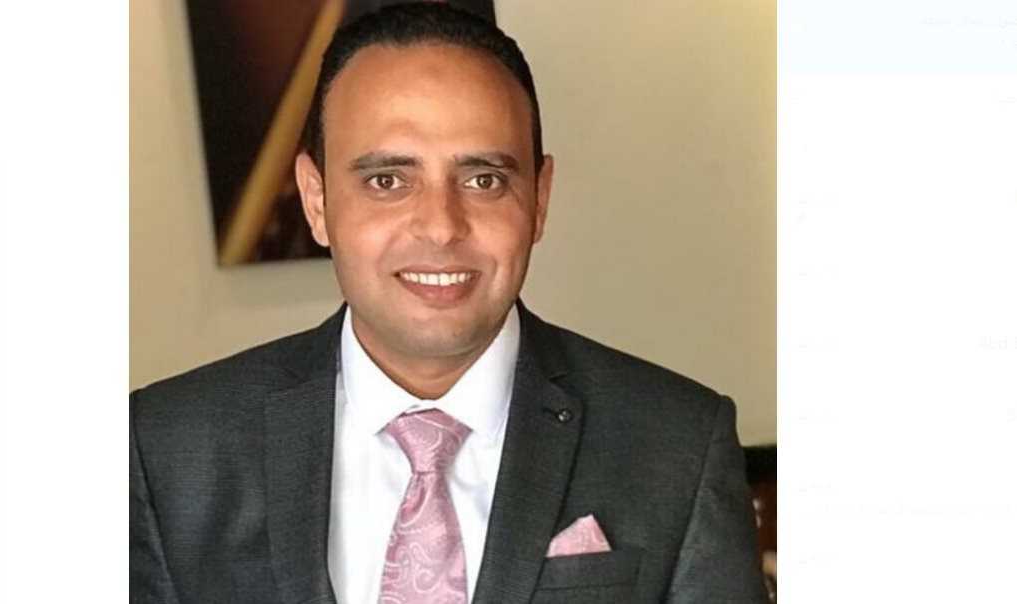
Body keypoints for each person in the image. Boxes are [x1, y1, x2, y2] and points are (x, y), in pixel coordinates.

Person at [130, 3, 768, 603]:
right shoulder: (167, 447)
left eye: (484, 179)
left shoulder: (677, 443)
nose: (440, 226)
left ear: (539, 199)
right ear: (317, 200)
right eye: (388, 180)